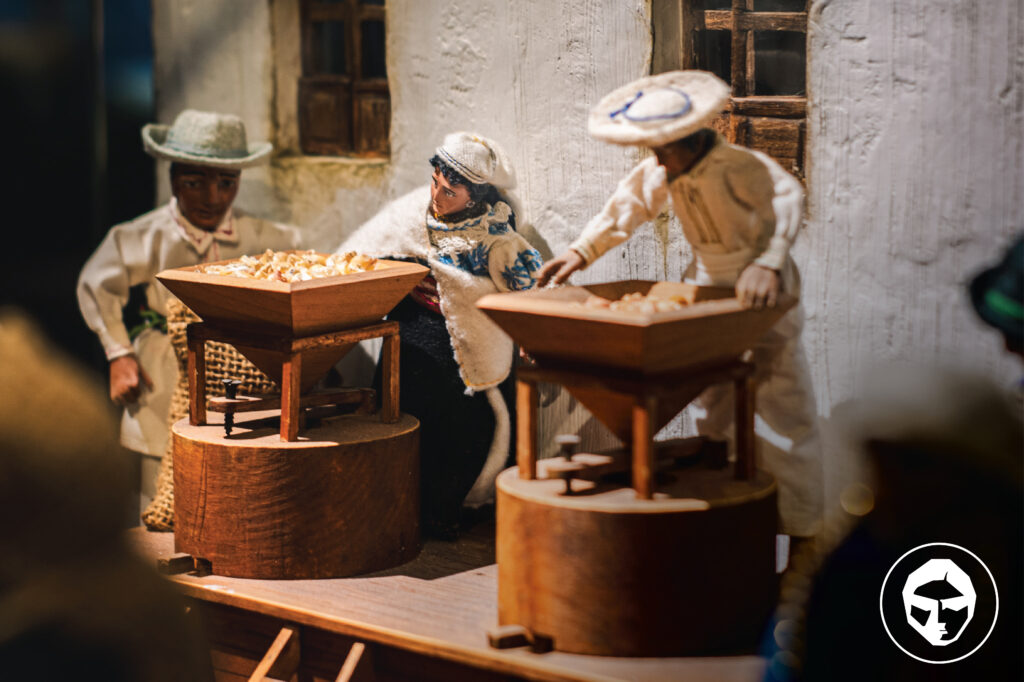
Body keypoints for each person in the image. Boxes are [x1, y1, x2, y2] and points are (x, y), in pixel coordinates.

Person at [538, 70, 822, 539]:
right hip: (706, 281)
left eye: (663, 150)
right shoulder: (662, 171)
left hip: (760, 286)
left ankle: (802, 527)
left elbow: (787, 198)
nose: (657, 161)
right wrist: (579, 252)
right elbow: (623, 210)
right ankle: (728, 514)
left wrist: (769, 262)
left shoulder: (739, 166)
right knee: (712, 395)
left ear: (689, 141)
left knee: (780, 399)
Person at [77, 110, 301, 504]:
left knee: (232, 475)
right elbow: (98, 285)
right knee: (159, 481)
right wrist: (119, 353)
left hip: (236, 373)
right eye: (195, 182)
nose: (212, 198)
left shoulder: (266, 237)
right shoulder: (143, 237)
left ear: (238, 182)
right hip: (162, 370)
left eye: (226, 183)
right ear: (173, 178)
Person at [339, 132, 543, 538]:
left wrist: (534, 336)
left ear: (475, 196)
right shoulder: (412, 215)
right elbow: (369, 253)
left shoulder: (496, 238)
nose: (437, 196)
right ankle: (401, 504)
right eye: (435, 183)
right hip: (416, 337)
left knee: (460, 430)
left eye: (450, 192)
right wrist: (403, 281)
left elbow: (530, 290)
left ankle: (448, 509)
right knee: (407, 418)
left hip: (470, 347)